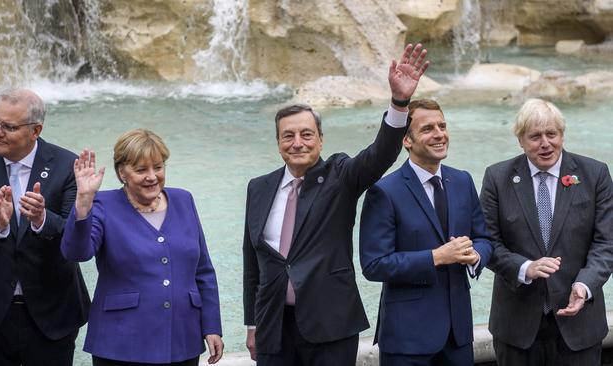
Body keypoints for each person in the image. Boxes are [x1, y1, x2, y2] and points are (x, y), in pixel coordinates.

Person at [242, 43, 430, 366]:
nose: (297, 142)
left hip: (329, 326)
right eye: (288, 136)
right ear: (277, 143)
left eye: (306, 134)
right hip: (274, 328)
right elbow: (252, 264)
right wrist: (252, 323)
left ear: (321, 139)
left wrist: (400, 103)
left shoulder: (339, 176)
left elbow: (380, 155)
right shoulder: (258, 188)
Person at [61, 129, 223, 366]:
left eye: (158, 167)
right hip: (120, 343)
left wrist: (211, 326)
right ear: (121, 173)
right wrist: (83, 202)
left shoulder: (184, 200)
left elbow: (203, 270)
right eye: (141, 170)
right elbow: (77, 253)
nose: (152, 176)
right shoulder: (102, 204)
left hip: (182, 340)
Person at [359, 99, 493, 365]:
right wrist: (436, 257)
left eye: (442, 126)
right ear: (407, 141)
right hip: (407, 339)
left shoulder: (463, 180)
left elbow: (484, 238)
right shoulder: (384, 191)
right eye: (428, 128)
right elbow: (374, 265)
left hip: (458, 335)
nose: (439, 134)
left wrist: (476, 256)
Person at [480, 98, 613, 366]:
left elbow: (606, 242)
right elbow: (487, 242)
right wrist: (523, 268)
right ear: (520, 140)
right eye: (535, 136)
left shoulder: (594, 174)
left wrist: (584, 285)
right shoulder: (497, 178)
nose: (545, 143)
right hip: (516, 329)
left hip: (580, 326)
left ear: (562, 135)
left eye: (552, 134)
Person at [0, 88, 90, 366]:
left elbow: (78, 239)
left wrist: (42, 219)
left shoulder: (69, 166)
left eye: (8, 126)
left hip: (52, 316)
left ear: (36, 130)